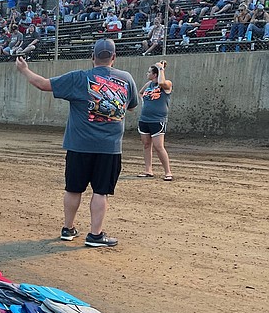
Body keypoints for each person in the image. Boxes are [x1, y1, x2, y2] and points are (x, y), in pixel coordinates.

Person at [15, 38, 139, 248]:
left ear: (92, 57)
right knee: (101, 191)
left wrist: (24, 69)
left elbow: (43, 84)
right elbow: (131, 106)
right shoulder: (126, 79)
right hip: (109, 147)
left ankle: (68, 228)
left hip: (79, 145)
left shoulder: (79, 78)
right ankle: (95, 235)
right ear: (114, 58)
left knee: (73, 188)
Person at [138, 61, 173, 181]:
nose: (147, 74)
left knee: (159, 146)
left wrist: (161, 69)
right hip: (144, 119)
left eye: (149, 72)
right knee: (147, 145)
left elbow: (162, 82)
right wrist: (144, 102)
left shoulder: (166, 84)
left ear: (155, 74)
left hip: (157, 120)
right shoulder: (149, 84)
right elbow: (140, 93)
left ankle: (168, 172)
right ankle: (148, 170)